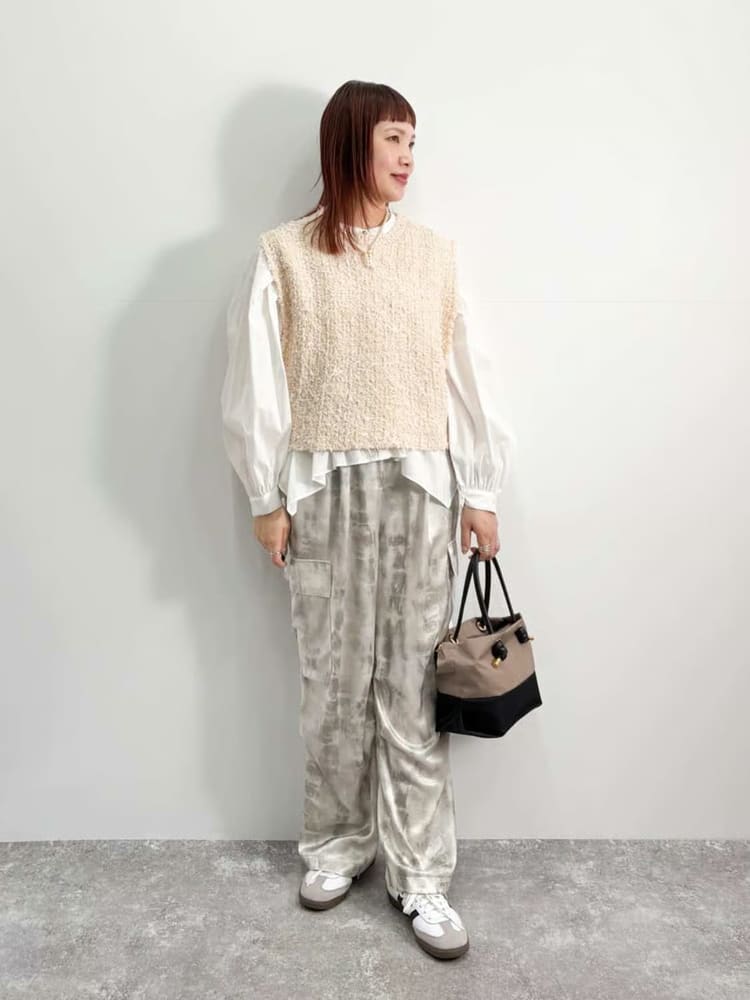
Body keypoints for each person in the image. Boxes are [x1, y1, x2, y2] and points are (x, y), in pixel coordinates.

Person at [220, 80, 515, 961]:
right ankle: (336, 846)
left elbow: (469, 375)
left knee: (415, 691)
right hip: (321, 491)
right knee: (333, 686)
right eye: (394, 138)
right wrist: (265, 497)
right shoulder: (282, 255)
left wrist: (481, 489)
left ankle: (421, 876)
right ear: (350, 141)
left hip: (421, 491)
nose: (408, 158)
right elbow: (257, 382)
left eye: (414, 141)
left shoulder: (434, 257)